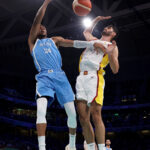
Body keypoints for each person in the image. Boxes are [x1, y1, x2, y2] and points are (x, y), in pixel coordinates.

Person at [28, 0, 105, 150]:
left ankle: (71, 144)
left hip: (60, 76)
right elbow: (38, 19)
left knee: (72, 113)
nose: (42, 27)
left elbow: (73, 43)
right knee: (41, 110)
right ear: (35, 30)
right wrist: (45, 3)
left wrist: (90, 44)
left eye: (44, 27)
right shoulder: (32, 42)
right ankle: (42, 147)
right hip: (44, 77)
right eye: (40, 27)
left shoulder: (54, 40)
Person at [75, 16, 119, 150]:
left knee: (95, 114)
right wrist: (97, 20)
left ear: (113, 34)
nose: (106, 28)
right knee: (83, 117)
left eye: (109, 28)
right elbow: (86, 32)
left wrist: (111, 55)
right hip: (81, 77)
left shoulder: (111, 46)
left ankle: (101, 147)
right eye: (106, 27)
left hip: (95, 77)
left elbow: (115, 69)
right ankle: (90, 146)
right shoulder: (93, 40)